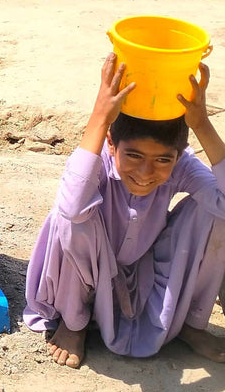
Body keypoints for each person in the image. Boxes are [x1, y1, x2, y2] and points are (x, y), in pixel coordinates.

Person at [24, 53, 225, 369]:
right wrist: (100, 116)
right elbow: (72, 206)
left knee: (218, 215)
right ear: (111, 144)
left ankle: (189, 320)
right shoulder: (99, 158)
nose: (146, 173)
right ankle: (74, 321)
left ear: (178, 155)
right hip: (82, 267)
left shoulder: (181, 164)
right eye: (133, 156)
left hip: (139, 270)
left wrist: (200, 124)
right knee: (71, 218)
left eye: (162, 160)